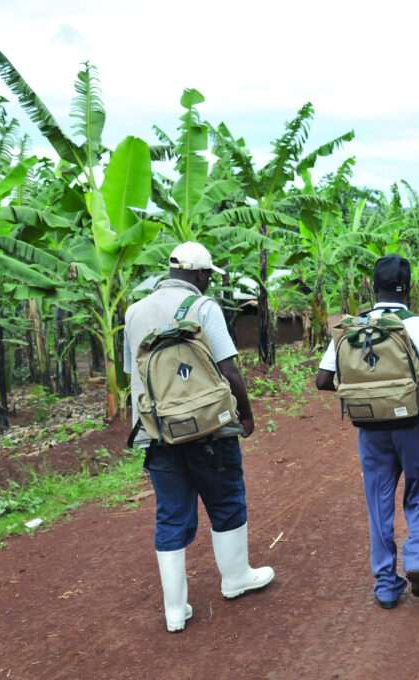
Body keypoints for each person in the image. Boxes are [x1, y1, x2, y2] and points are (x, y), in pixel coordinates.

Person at [124, 241, 274, 633]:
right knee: (225, 499)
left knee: (171, 513)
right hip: (210, 429)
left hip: (158, 433)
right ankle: (236, 578)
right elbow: (230, 370)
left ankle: (175, 610)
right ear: (200, 274)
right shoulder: (204, 308)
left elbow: (136, 380)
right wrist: (246, 414)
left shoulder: (134, 312)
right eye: (209, 275)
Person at [315, 254, 419, 609]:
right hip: (414, 426)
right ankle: (416, 562)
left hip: (370, 430)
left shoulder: (352, 328)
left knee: (378, 502)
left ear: (373, 287)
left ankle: (385, 584)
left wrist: (369, 391)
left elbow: (322, 381)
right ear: (408, 289)